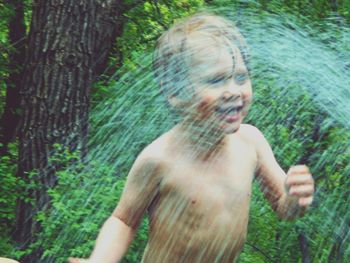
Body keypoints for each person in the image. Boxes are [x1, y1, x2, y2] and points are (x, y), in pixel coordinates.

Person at [69, 13, 314, 263]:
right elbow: (123, 220)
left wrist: (295, 197)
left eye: (240, 77)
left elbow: (284, 209)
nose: (233, 90)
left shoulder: (251, 142)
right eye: (216, 80)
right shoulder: (159, 159)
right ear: (176, 93)